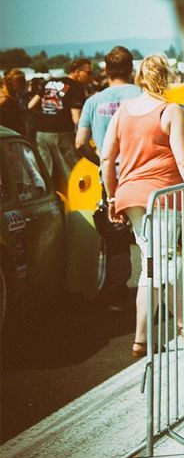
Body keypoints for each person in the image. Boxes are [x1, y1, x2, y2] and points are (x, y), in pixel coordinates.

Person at [99, 55, 184, 357]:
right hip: (163, 196)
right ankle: (141, 339)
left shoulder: (123, 113)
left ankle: (183, 324)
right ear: (166, 78)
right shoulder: (170, 111)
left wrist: (112, 195)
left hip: (131, 196)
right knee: (156, 267)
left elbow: (106, 159)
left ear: (140, 77)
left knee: (159, 261)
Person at [76, 46, 142, 307]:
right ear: (131, 69)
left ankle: (116, 290)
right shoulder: (142, 96)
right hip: (140, 173)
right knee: (149, 233)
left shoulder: (93, 101)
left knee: (115, 236)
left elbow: (80, 143)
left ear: (105, 69)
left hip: (110, 179)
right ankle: (155, 289)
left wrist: (102, 164)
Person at [34, 58, 92, 189]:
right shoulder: (76, 87)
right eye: (88, 72)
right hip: (62, 133)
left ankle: (49, 202)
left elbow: (30, 105)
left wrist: (46, 115)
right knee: (72, 173)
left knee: (46, 173)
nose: (90, 76)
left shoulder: (49, 82)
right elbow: (76, 118)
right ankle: (74, 204)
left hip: (41, 132)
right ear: (77, 72)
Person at [0, 69, 28, 134]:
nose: (24, 83)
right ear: (11, 82)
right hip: (7, 136)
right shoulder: (5, 100)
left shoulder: (14, 96)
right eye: (21, 81)